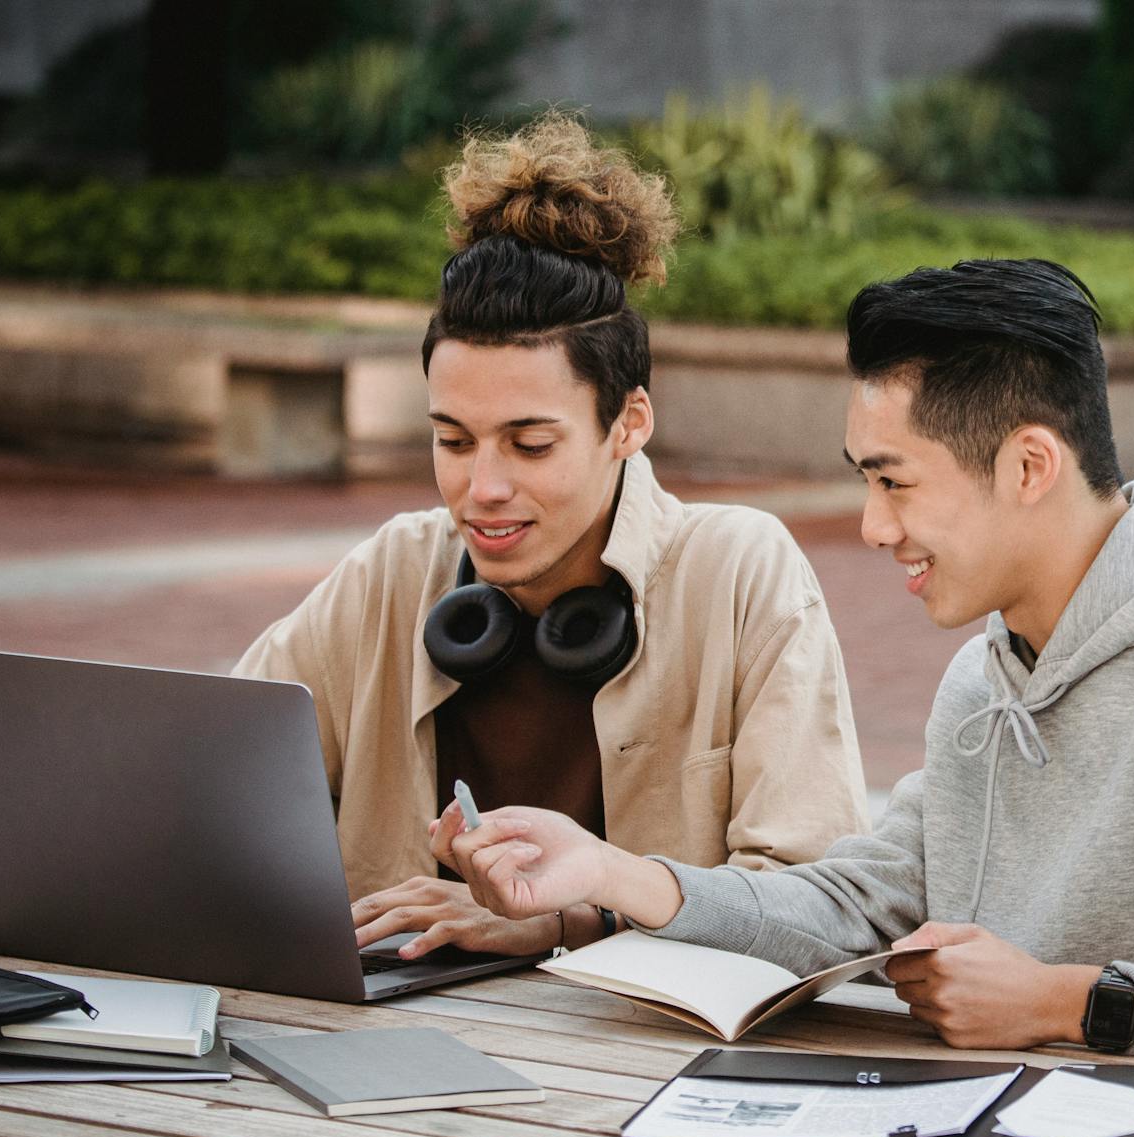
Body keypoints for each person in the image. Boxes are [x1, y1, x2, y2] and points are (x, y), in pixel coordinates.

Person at [435, 257, 1134, 1062]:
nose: (874, 527)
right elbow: (850, 906)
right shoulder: (988, 675)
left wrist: (1069, 999)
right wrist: (616, 874)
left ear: (1028, 465)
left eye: (895, 482)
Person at [234, 115, 868, 961]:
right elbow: (208, 787)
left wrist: (568, 919)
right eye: (452, 441)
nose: (481, 488)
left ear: (628, 423)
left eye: (531, 445)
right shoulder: (393, 570)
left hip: (636, 1063)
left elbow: (815, 917)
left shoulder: (740, 571)